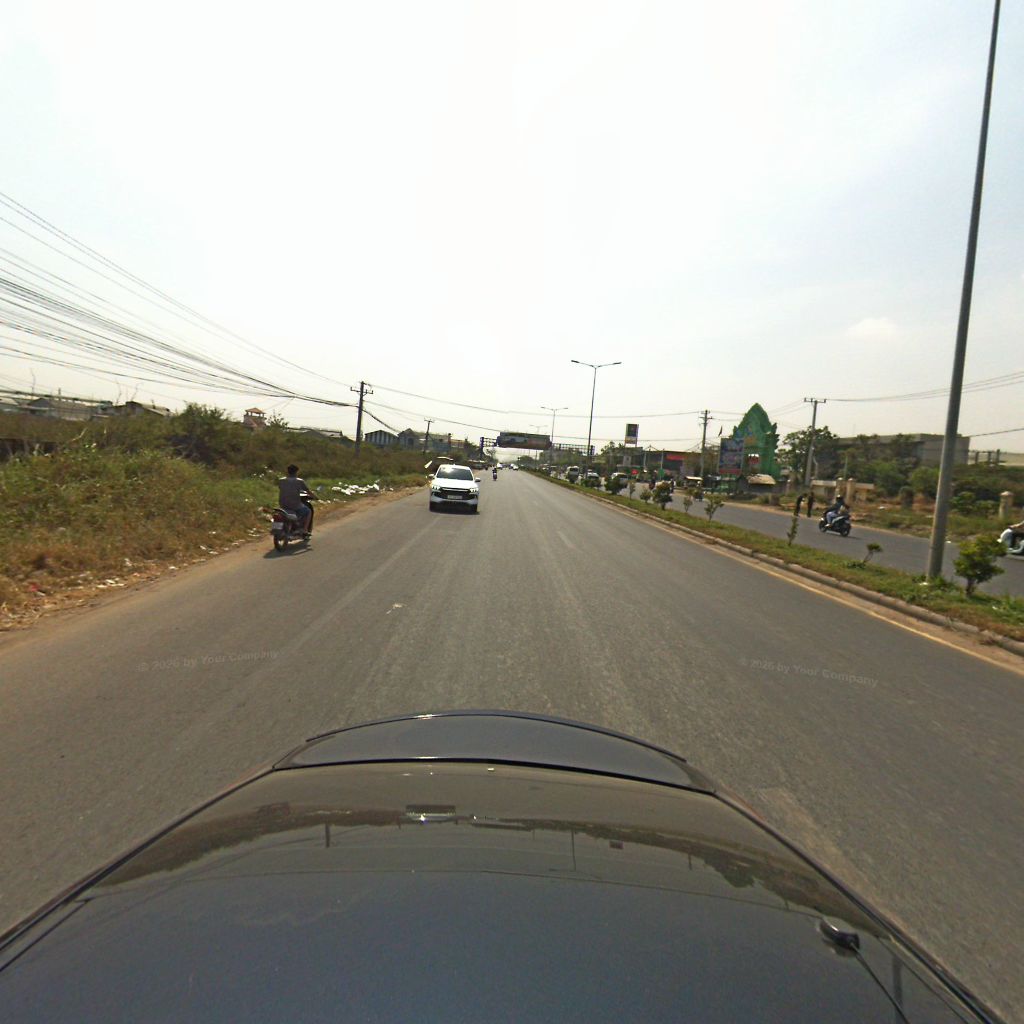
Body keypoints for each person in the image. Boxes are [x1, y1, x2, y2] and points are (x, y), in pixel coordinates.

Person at [277, 464, 318, 537]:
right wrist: (315, 497)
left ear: (288, 471)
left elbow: (283, 489)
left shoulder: (281, 480)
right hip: (295, 504)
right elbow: (308, 491)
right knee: (308, 511)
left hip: (282, 504)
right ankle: (305, 529)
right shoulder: (299, 481)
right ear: (296, 472)